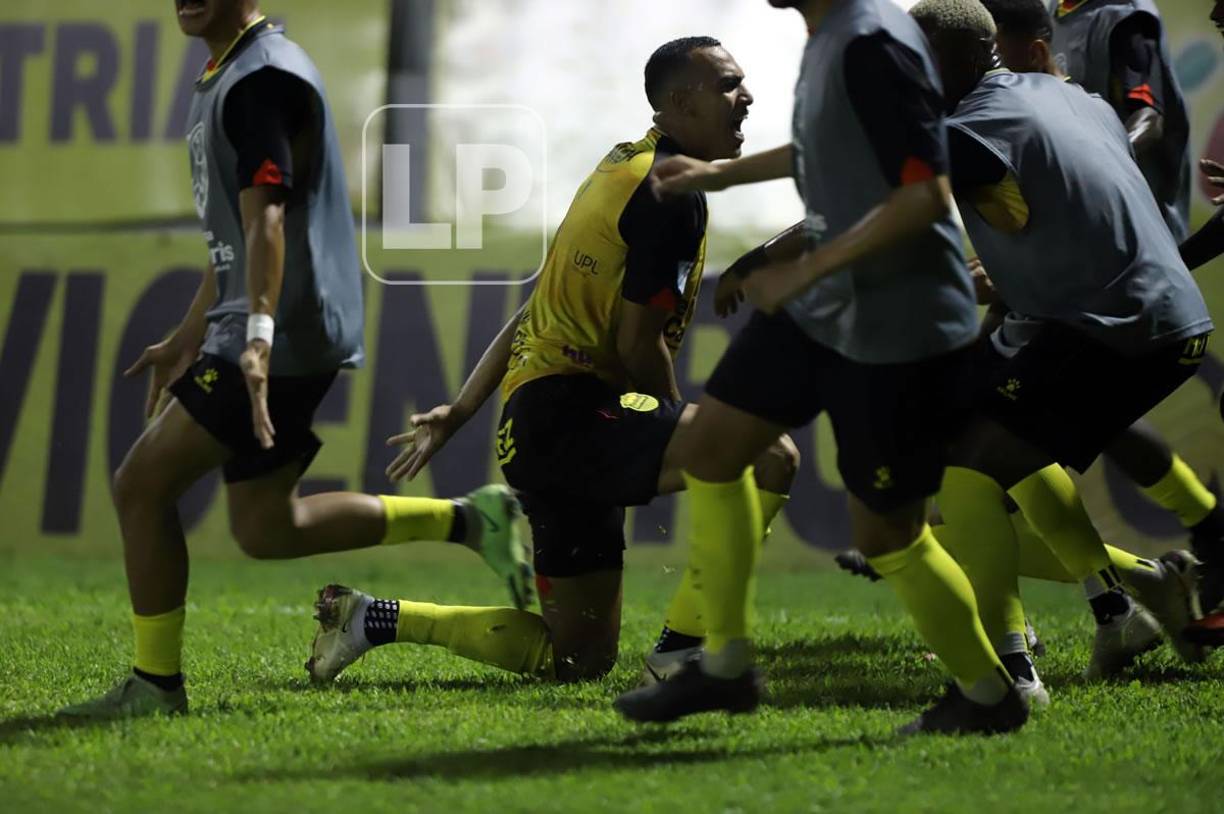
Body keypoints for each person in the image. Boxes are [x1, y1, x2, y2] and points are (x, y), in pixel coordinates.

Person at [57, 0, 529, 720]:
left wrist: (255, 335)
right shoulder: (237, 71)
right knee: (264, 528)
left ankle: (154, 688)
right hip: (279, 327)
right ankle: (472, 521)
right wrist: (194, 331)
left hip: (283, 334)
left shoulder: (260, 79)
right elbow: (245, 232)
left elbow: (268, 221)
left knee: (140, 487)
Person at [304, 37, 800, 685]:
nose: (748, 97)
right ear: (680, 101)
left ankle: (374, 619)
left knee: (579, 659)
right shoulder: (668, 192)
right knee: (769, 454)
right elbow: (637, 344)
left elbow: (535, 306)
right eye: (730, 85)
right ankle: (683, 650)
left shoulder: (620, 166)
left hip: (539, 424)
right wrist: (678, 426)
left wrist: (459, 409)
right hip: (581, 418)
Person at [614, 0, 1029, 735]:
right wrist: (723, 177)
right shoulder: (834, 34)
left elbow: (924, 196)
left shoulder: (872, 41)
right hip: (830, 308)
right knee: (710, 452)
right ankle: (725, 665)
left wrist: (801, 275)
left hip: (896, 327)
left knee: (887, 539)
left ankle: (990, 698)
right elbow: (834, 151)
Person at [906, 0, 1212, 692]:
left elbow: (873, 203)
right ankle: (1117, 605)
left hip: (1109, 325)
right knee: (991, 432)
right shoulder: (1061, 92)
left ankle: (1007, 676)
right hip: (1140, 315)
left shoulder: (971, 125)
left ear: (941, 59)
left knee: (969, 464)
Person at [1049, 0, 1190, 242]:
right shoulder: (1054, 9)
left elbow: (1150, 121)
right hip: (1083, 206)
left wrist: (1098, 167)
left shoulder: (1126, 18)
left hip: (1136, 214)